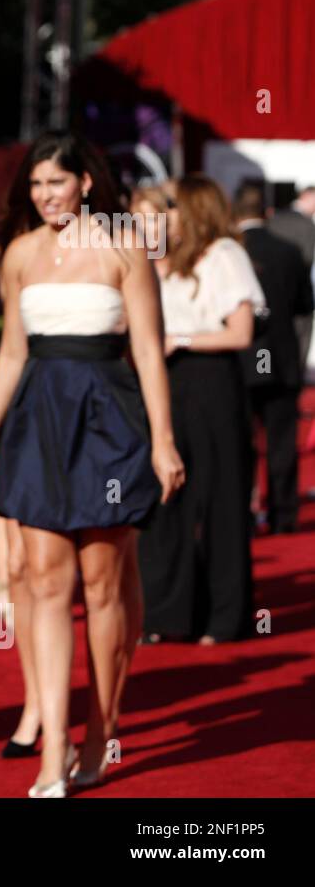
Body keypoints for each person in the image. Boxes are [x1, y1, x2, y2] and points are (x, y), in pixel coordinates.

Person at [0, 131, 184, 797]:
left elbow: (148, 350)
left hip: (109, 418)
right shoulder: (22, 254)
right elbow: (9, 353)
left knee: (105, 583)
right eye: (35, 186)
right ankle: (53, 750)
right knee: (44, 580)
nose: (45, 196)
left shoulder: (126, 251)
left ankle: (98, 735)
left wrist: (164, 439)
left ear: (86, 182)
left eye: (56, 183)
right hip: (38, 420)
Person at [139, 175, 266, 646]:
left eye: (169, 206)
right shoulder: (161, 261)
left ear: (193, 208)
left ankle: (224, 618)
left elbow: (241, 333)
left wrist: (181, 339)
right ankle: (168, 616)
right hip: (164, 381)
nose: (160, 214)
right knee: (166, 498)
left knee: (220, 499)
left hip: (211, 382)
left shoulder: (225, 256)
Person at [233, 183, 313, 535]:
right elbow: (304, 305)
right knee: (281, 442)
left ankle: (244, 514)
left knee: (242, 443)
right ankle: (283, 513)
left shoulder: (231, 252)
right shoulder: (288, 250)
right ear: (267, 212)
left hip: (244, 361)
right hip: (278, 358)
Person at [267, 184, 315, 374]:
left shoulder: (275, 219)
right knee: (295, 352)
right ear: (306, 196)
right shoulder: (307, 226)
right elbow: (306, 263)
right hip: (297, 298)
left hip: (273, 295)